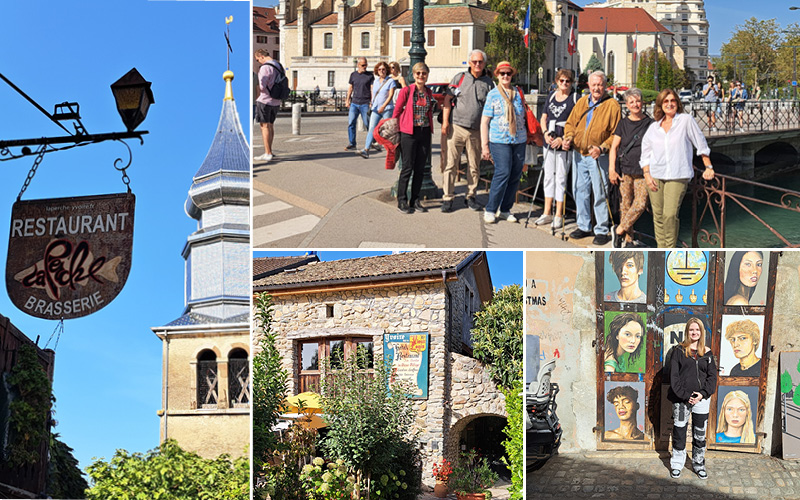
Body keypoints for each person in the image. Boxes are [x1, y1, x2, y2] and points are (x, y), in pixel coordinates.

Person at [640, 89, 715, 248]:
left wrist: (708, 166)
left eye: (672, 101)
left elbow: (700, 143)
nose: (669, 104)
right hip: (655, 175)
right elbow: (645, 153)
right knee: (658, 216)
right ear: (660, 105)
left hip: (678, 174)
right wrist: (647, 174)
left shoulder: (685, 120)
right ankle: (661, 250)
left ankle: (670, 250)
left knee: (670, 215)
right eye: (665, 101)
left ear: (677, 103)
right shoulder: (654, 127)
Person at [563, 70, 621, 246]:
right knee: (580, 190)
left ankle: (602, 229)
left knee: (600, 192)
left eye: (600, 84)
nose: (597, 88)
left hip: (598, 156)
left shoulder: (612, 105)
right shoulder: (582, 102)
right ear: (589, 85)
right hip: (579, 154)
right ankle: (584, 225)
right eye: (594, 84)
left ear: (605, 85)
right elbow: (570, 124)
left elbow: (616, 134)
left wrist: (602, 147)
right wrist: (569, 137)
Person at [480, 61, 541, 223]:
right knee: (503, 172)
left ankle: (506, 209)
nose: (505, 76)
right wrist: (484, 145)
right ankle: (491, 208)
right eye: (502, 73)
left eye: (508, 73)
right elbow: (484, 121)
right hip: (499, 140)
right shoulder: (493, 94)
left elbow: (524, 116)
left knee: (515, 174)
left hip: (519, 140)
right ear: (497, 75)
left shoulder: (518, 92)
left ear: (512, 75)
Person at [441, 49, 495, 213]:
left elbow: (491, 108)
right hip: (456, 127)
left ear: (484, 63)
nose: (477, 64)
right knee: (451, 164)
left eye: (480, 62)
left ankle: (470, 196)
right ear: (469, 63)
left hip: (476, 131)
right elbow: (448, 99)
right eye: (474, 61)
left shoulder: (489, 83)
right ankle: (448, 197)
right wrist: (445, 123)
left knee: (474, 166)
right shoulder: (460, 78)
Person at [668, 317, 717, 480]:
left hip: (701, 400)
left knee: (700, 434)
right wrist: (685, 395)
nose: (694, 332)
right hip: (681, 399)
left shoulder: (707, 352)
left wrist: (702, 394)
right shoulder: (679, 351)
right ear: (687, 331)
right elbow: (673, 377)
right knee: (679, 431)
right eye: (691, 330)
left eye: (697, 330)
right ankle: (676, 464)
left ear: (701, 332)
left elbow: (712, 377)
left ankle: (698, 464)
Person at [608, 88, 653, 247]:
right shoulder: (623, 123)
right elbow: (614, 147)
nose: (635, 104)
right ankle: (628, 240)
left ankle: (619, 230)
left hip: (643, 171)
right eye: (631, 102)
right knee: (625, 205)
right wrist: (611, 169)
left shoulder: (650, 123)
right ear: (626, 104)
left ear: (642, 102)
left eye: (638, 101)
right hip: (625, 170)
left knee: (640, 204)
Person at [535, 69, 578, 229]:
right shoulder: (552, 96)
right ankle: (547, 212)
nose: (564, 84)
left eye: (567, 81)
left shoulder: (574, 98)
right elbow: (544, 117)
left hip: (563, 144)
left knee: (560, 178)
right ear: (557, 81)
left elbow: (576, 123)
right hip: (549, 141)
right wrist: (545, 133)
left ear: (571, 83)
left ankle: (559, 214)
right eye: (561, 81)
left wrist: (564, 139)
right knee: (548, 177)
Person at [392, 62, 434, 214]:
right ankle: (401, 200)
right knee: (407, 167)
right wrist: (394, 130)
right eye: (418, 73)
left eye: (424, 73)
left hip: (424, 131)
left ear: (427, 75)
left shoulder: (428, 92)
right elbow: (396, 111)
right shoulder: (407, 91)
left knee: (420, 168)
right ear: (413, 75)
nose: (421, 76)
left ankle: (415, 200)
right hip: (408, 133)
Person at [359, 61, 396, 159]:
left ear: (386, 70)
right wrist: (372, 102)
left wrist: (384, 106)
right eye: (379, 69)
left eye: (383, 69)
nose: (381, 71)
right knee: (371, 128)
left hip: (386, 109)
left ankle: (391, 151)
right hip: (375, 108)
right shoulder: (375, 81)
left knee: (387, 131)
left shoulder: (390, 81)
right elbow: (373, 92)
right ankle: (366, 150)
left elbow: (391, 95)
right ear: (377, 71)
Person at [254, 49, 283, 163]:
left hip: (265, 100)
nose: (258, 62)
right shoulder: (278, 65)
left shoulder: (265, 68)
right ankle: (269, 150)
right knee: (270, 125)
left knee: (264, 126)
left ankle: (268, 152)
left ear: (261, 56)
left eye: (257, 60)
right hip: (276, 101)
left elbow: (261, 85)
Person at [345, 57, 374, 151]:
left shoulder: (370, 75)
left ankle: (372, 141)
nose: (365, 67)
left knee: (367, 123)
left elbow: (372, 89)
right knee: (351, 123)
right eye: (363, 65)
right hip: (354, 103)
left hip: (365, 103)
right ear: (358, 65)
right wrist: (347, 100)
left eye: (366, 65)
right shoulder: (353, 75)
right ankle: (352, 143)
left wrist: (372, 101)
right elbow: (350, 88)